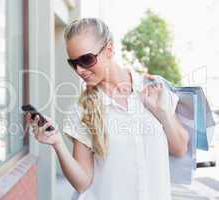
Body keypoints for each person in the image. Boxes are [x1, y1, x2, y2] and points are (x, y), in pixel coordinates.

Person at [25, 18, 189, 200]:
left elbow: (180, 148)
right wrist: (57, 143)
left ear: (109, 50)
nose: (79, 70)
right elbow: (83, 182)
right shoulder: (81, 110)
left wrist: (163, 113)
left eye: (86, 59)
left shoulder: (153, 89)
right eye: (73, 63)